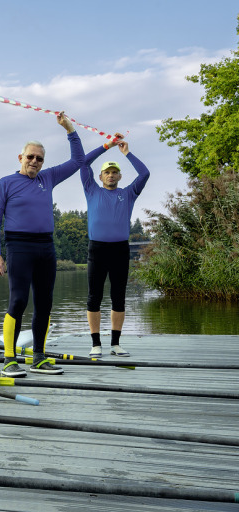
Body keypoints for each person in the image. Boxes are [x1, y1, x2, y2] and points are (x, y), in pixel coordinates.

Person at [0, 113, 84, 376]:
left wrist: (70, 129)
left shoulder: (48, 178)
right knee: (18, 300)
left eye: (39, 158)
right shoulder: (6, 183)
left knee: (45, 303)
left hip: (46, 247)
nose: (34, 161)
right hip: (18, 246)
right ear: (20, 158)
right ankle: (10, 358)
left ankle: (39, 357)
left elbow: (78, 160)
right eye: (30, 157)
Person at [80, 135, 150, 357]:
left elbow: (145, 174)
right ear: (100, 177)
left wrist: (126, 153)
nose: (111, 175)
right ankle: (96, 344)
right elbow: (83, 163)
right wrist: (106, 146)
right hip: (97, 250)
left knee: (118, 297)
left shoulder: (128, 193)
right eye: (107, 172)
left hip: (120, 250)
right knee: (94, 297)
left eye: (114, 172)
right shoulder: (92, 189)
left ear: (119, 176)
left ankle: (116, 344)